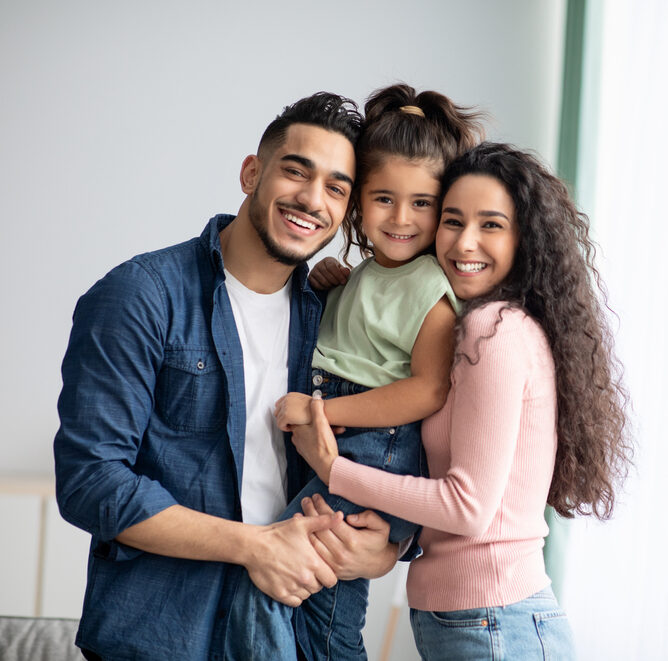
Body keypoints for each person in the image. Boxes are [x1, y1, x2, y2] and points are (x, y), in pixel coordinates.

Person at [53, 92, 401, 661]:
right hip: (164, 636)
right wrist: (254, 547)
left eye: (336, 188)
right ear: (251, 173)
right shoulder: (141, 295)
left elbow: (390, 446)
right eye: (296, 171)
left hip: (295, 635)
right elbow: (91, 481)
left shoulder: (334, 317)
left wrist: (391, 547)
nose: (312, 200)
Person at [292, 142, 632, 660]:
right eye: (452, 221)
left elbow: (468, 509)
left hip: (495, 622)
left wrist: (334, 469)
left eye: (491, 224)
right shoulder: (470, 327)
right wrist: (393, 544)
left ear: (526, 238)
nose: (464, 242)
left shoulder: (493, 331)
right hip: (476, 619)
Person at [225, 84, 484, 661]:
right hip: (352, 443)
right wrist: (335, 287)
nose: (402, 218)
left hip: (373, 448)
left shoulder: (428, 288)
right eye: (384, 198)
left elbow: (428, 388)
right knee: (319, 613)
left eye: (422, 203)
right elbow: (365, 340)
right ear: (358, 203)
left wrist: (321, 413)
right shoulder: (364, 274)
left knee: (281, 593)